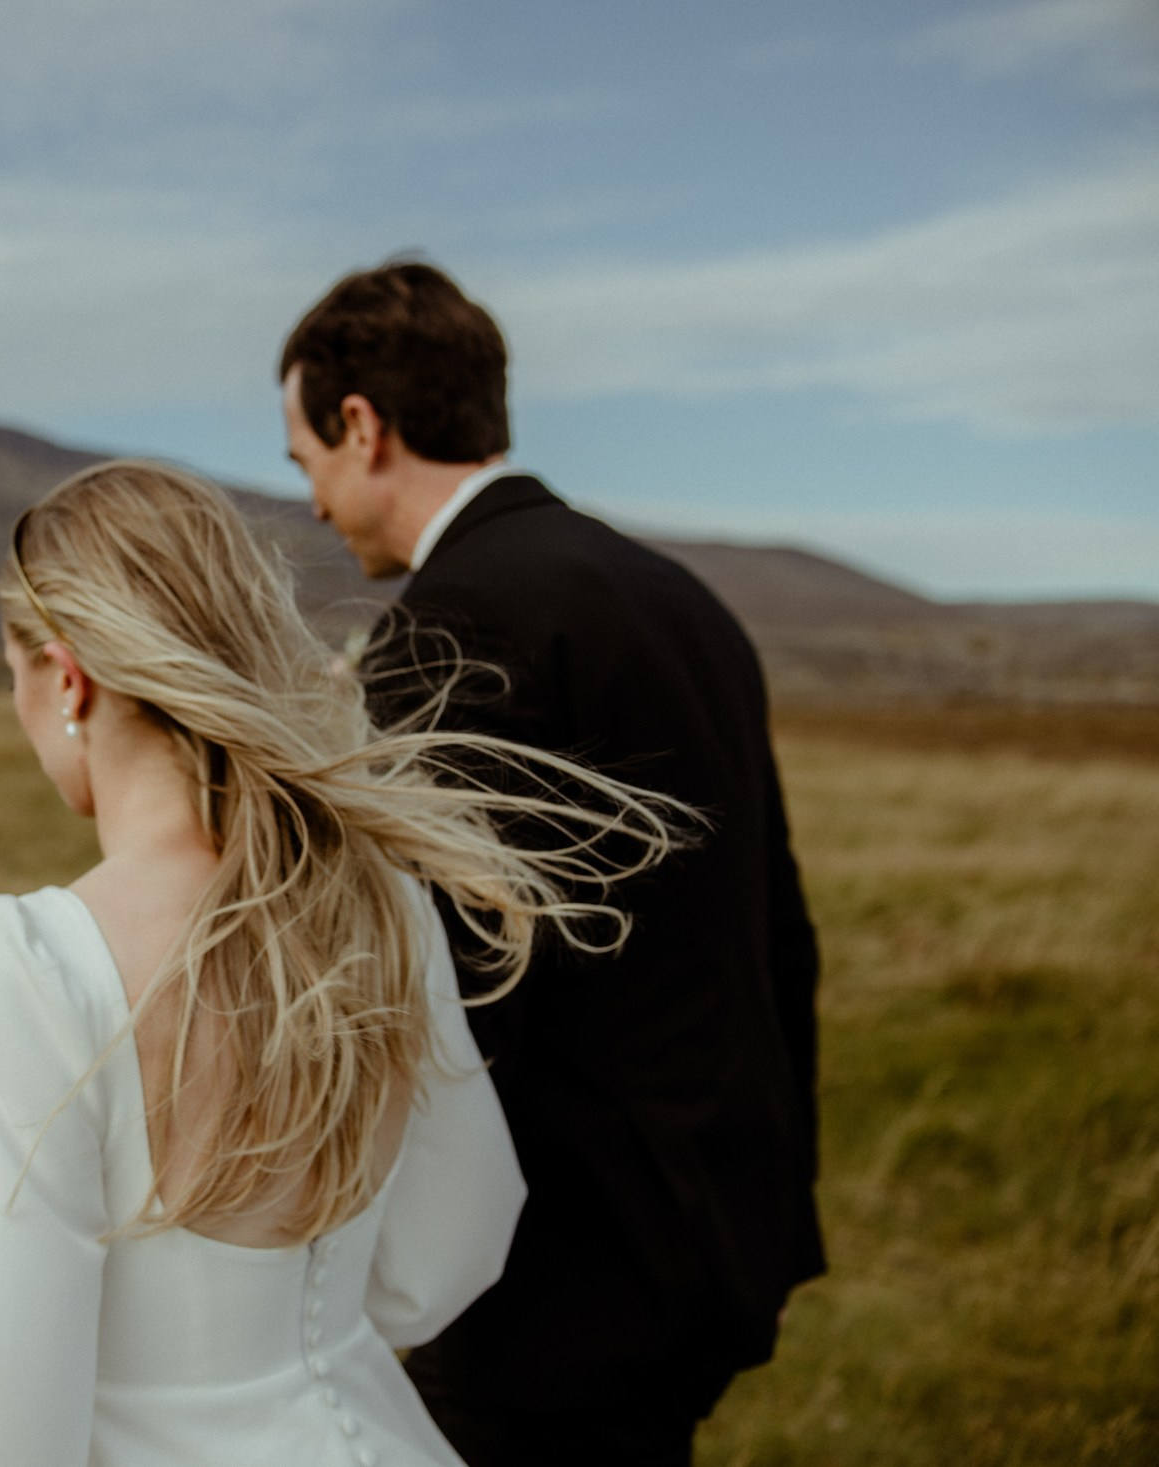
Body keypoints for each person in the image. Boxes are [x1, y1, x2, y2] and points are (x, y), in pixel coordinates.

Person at [0, 461, 677, 1467]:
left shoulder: (38, 963)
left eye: (14, 676)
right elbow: (447, 1246)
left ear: (66, 678)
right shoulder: (380, 904)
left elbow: (5, 1384)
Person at [278, 260, 826, 1465]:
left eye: (302, 460)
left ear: (360, 427)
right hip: (718, 1232)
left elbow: (456, 1003)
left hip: (559, 1287)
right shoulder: (684, 600)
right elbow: (776, 935)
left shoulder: (450, 629)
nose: (313, 502)